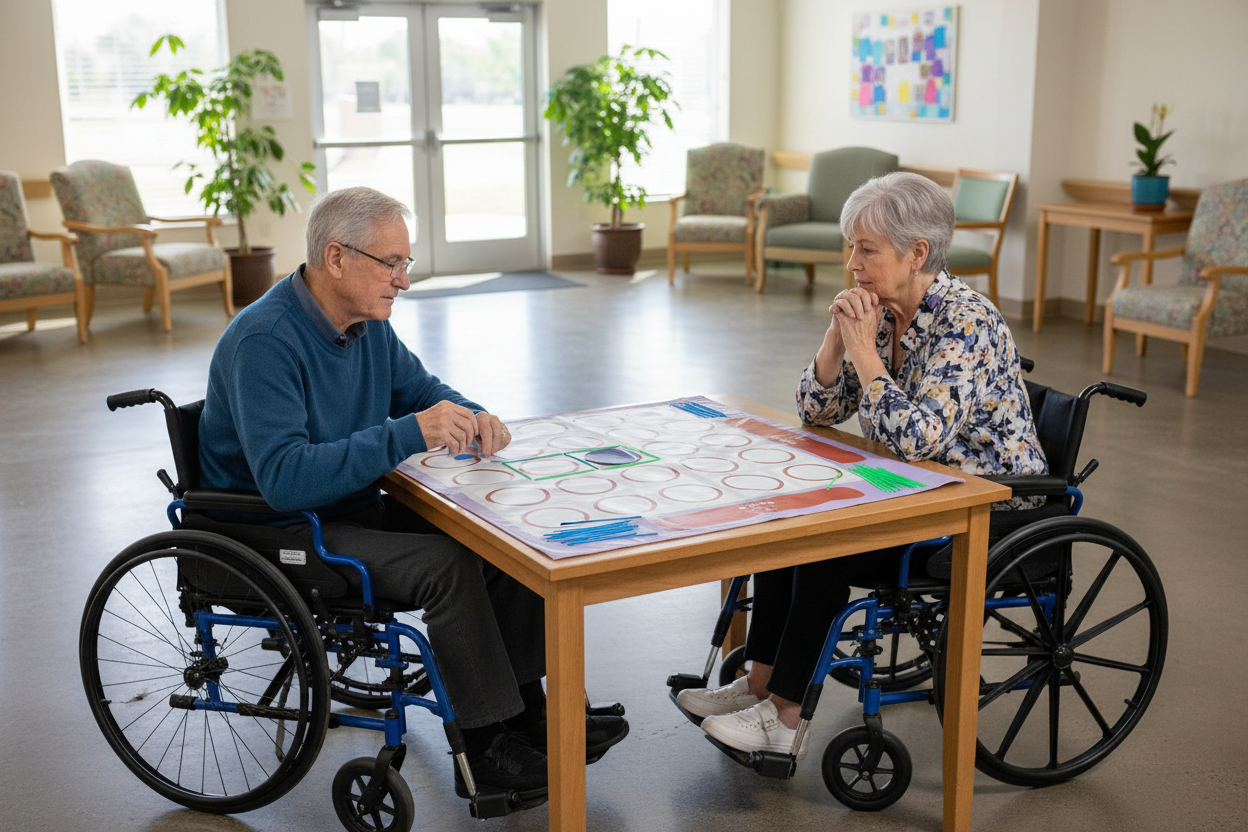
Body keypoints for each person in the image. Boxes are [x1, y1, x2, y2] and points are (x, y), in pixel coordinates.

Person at [197, 186, 627, 804]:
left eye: (407, 263)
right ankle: (485, 749)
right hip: (276, 528)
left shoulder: (365, 325)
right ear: (337, 258)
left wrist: (476, 416)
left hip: (343, 506)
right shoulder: (264, 341)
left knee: (502, 536)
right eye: (390, 263)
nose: (402, 280)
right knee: (447, 566)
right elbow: (286, 479)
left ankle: (526, 713)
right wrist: (405, 434)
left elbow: (423, 392)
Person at [677, 171, 1049, 759]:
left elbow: (917, 438)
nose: (852, 262)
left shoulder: (966, 322)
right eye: (851, 247)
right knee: (785, 519)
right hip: (914, 490)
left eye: (866, 249)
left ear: (917, 253)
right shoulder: (888, 312)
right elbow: (817, 409)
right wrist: (835, 338)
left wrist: (865, 354)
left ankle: (784, 716)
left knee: (826, 541)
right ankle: (758, 684)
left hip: (983, 506)